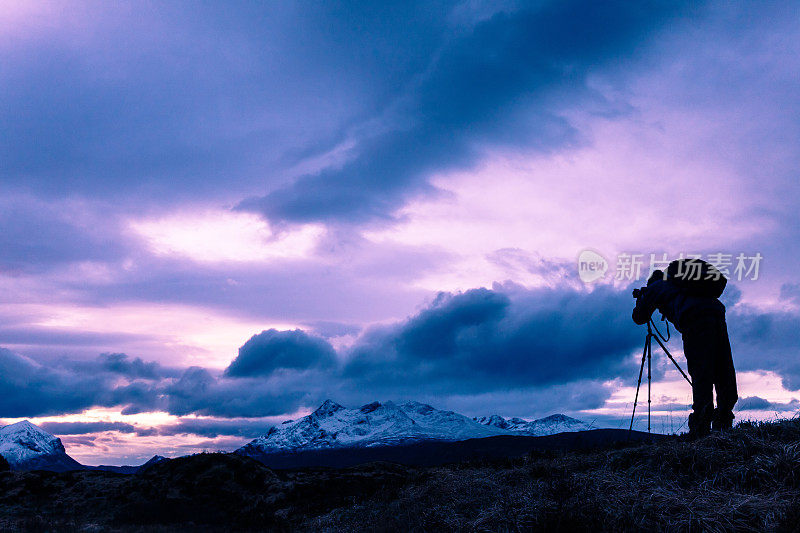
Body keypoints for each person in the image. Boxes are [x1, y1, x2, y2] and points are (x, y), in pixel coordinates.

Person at [632, 270, 737, 438]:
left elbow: (639, 317)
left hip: (694, 318)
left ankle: (700, 429)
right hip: (716, 312)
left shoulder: (655, 287)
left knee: (701, 371)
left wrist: (642, 299)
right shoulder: (682, 286)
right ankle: (724, 421)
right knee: (723, 367)